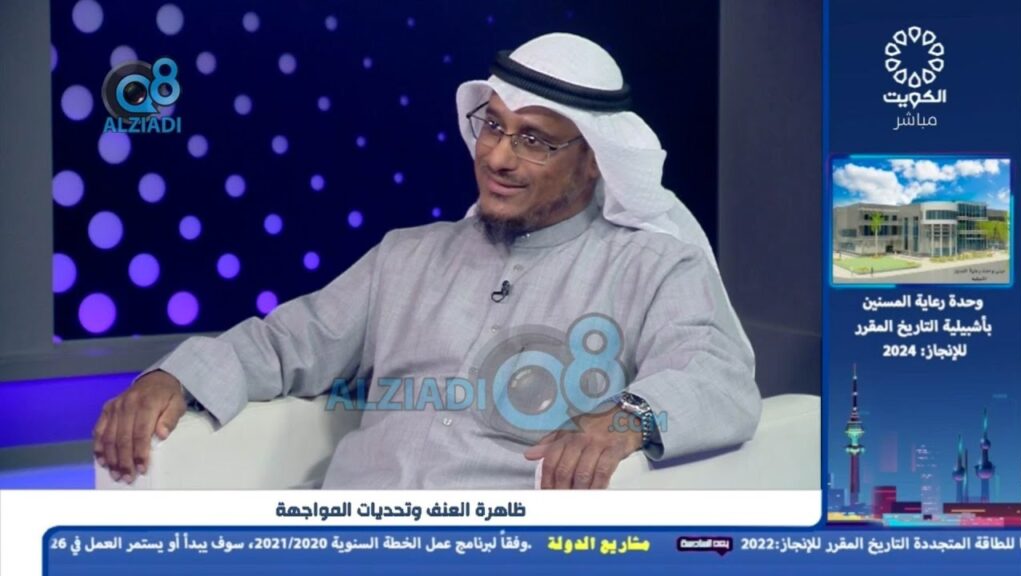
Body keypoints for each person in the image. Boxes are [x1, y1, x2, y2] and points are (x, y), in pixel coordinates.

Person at [93, 33, 761, 490]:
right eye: (494, 125)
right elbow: (286, 343)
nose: (497, 157)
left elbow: (717, 372)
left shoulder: (649, 266)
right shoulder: (407, 256)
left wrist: (627, 417)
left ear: (594, 161)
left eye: (533, 140)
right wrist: (174, 377)